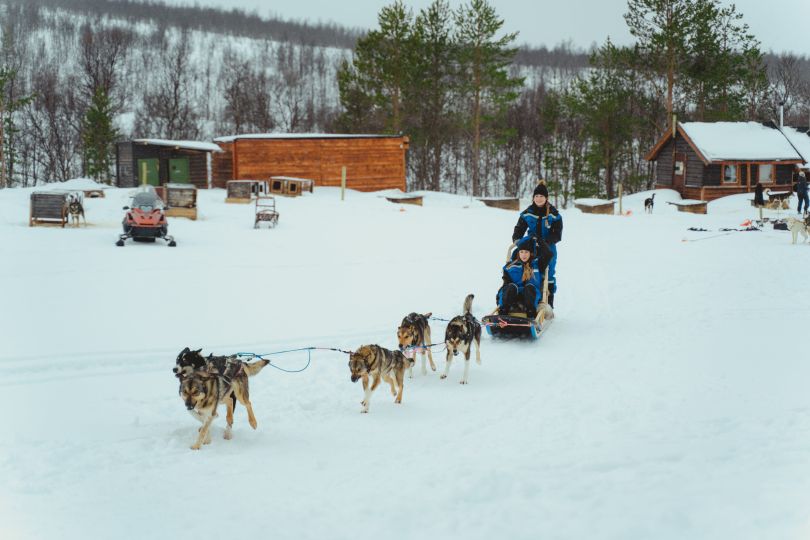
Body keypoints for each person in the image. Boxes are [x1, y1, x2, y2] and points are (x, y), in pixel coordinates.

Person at [512, 182, 562, 308]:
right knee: (527, 270)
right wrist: (517, 240)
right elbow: (519, 228)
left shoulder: (554, 214)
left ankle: (548, 303)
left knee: (548, 274)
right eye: (536, 196)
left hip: (547, 246)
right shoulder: (528, 213)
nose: (539, 198)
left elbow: (557, 234)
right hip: (531, 246)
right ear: (533, 198)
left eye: (541, 196)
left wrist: (547, 241)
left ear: (546, 198)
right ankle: (522, 297)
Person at [497, 237, 548, 318]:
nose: (524, 255)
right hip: (513, 298)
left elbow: (548, 254)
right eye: (521, 252)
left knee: (529, 287)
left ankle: (531, 315)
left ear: (530, 253)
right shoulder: (511, 267)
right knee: (511, 286)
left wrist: (540, 241)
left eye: (526, 252)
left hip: (530, 298)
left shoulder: (537, 264)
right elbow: (505, 286)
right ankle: (503, 314)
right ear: (518, 253)